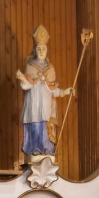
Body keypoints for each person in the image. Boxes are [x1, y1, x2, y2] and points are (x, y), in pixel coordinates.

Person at [15, 24, 72, 159]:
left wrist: (65, 91)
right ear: (35, 50)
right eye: (39, 48)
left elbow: (53, 90)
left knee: (46, 128)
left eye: (44, 48)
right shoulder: (30, 66)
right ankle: (34, 149)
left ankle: (46, 149)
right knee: (34, 126)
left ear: (47, 50)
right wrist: (23, 79)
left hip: (46, 106)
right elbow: (26, 86)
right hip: (34, 105)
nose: (41, 51)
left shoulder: (50, 69)